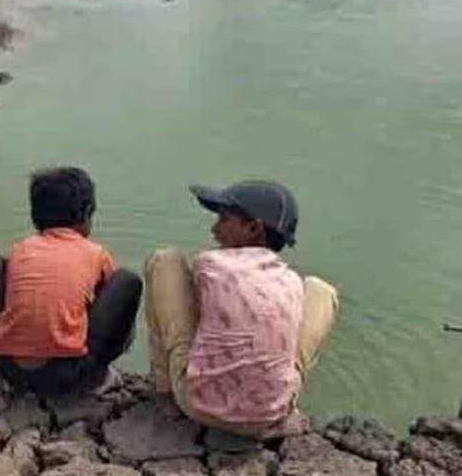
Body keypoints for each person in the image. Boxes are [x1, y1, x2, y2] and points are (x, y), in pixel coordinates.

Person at [144, 180, 339, 438]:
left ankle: (164, 390)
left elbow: (196, 315)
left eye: (224, 220)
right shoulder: (291, 282)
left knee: (164, 261)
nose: (214, 229)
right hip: (271, 413)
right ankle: (282, 402)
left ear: (253, 228)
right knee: (322, 291)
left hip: (198, 406)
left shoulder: (210, 264)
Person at [0, 167, 142, 397]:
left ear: (35, 216)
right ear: (86, 214)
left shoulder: (20, 250)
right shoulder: (95, 253)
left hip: (7, 368)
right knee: (126, 282)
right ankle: (98, 377)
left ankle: (7, 347)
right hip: (67, 377)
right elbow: (111, 311)